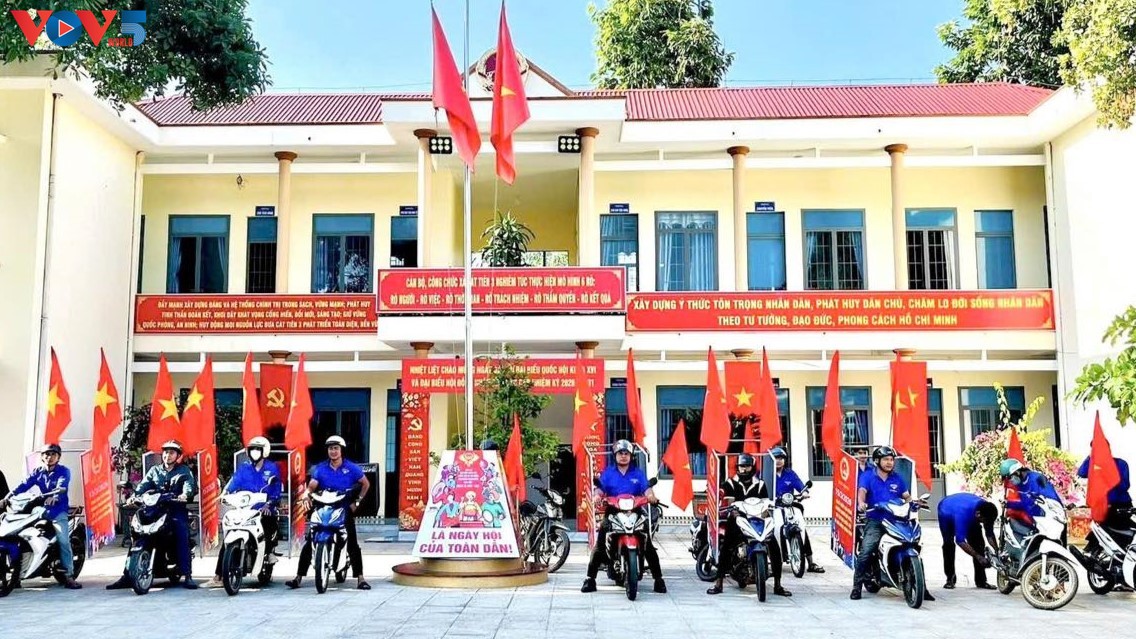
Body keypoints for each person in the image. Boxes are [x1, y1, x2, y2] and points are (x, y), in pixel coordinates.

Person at [107, 441, 199, 590]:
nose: (168, 455)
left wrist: (184, 495)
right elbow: (143, 486)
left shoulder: (184, 471)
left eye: (172, 453)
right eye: (166, 452)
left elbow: (189, 486)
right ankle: (127, 575)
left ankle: (187, 575)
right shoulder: (154, 470)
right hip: (155, 508)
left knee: (181, 531)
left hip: (175, 508)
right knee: (138, 534)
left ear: (178, 456)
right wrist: (134, 496)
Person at [581, 439, 666, 594]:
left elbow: (647, 489)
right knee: (600, 544)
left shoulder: (638, 473)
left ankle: (659, 580)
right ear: (615, 455)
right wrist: (597, 496)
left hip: (635, 511)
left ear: (631, 455)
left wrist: (651, 496)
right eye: (620, 453)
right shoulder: (608, 473)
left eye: (626, 453)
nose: (623, 456)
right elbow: (600, 489)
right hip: (613, 511)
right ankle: (590, 579)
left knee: (647, 544)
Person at [287, 436, 371, 590]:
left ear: (341, 450)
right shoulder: (320, 468)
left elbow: (365, 484)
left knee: (352, 542)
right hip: (323, 507)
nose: (333, 451)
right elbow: (311, 486)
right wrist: (306, 495)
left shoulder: (351, 468)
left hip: (343, 508)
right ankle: (298, 577)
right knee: (311, 539)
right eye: (331, 448)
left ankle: (361, 578)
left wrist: (357, 501)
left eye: (336, 448)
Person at [850, 446, 934, 601]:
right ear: (877, 461)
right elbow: (862, 492)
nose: (889, 462)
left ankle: (922, 588)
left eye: (891, 459)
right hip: (876, 520)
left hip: (897, 519)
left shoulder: (897, 478)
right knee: (867, 551)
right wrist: (861, 503)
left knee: (913, 544)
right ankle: (857, 587)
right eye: (886, 459)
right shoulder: (868, 476)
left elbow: (906, 497)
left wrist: (914, 503)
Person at [706, 453, 791, 597]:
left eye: (747, 466)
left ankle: (778, 585)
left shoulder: (760, 484)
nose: (744, 469)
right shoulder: (730, 483)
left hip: (757, 520)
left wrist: (766, 514)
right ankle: (718, 583)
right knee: (726, 547)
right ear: (737, 467)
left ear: (752, 467)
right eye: (741, 466)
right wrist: (733, 512)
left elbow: (765, 503)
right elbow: (727, 501)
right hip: (737, 520)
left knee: (774, 546)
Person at [205, 437, 282, 588]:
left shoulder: (272, 468)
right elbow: (234, 482)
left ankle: (269, 552)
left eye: (258, 449)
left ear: (264, 451)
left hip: (263, 509)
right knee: (228, 536)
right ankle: (218, 575)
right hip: (244, 509)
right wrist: (224, 494)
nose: (254, 452)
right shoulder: (244, 468)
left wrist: (269, 504)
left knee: (269, 524)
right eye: (252, 449)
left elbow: (276, 489)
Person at [0, 444, 81, 589]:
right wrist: (8, 497)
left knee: (63, 540)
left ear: (58, 457)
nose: (50, 457)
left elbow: (62, 485)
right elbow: (23, 485)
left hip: (58, 511)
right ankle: (18, 573)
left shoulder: (64, 471)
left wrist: (55, 497)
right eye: (46, 454)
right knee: (20, 533)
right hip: (41, 510)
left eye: (53, 454)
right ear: (42, 457)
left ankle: (69, 575)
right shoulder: (38, 472)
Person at [770, 446, 825, 574]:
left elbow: (800, 485)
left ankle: (810, 562)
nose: (778, 461)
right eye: (776, 458)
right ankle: (773, 563)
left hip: (789, 505)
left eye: (781, 458)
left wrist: (804, 492)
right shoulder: (765, 473)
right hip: (773, 507)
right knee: (770, 531)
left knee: (801, 528)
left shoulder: (790, 473)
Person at [936, 493, 998, 590]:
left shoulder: (987, 510)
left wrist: (997, 551)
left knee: (979, 544)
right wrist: (978, 557)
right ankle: (950, 578)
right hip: (946, 511)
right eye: (983, 521)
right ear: (978, 514)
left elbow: (989, 535)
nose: (984, 524)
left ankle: (981, 581)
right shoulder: (963, 514)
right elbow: (960, 541)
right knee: (949, 544)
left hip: (966, 510)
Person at [1076, 454, 1132, 531]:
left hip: (1119, 506)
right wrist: (1089, 457)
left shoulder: (1120, 463)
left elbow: (1125, 486)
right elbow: (1082, 473)